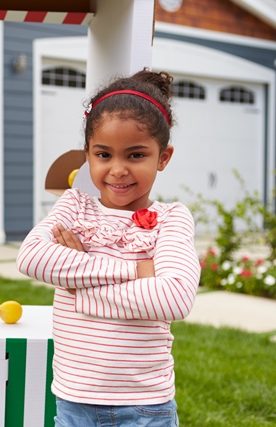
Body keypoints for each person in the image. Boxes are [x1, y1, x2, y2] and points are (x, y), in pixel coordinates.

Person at [16, 69, 200, 427]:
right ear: (87, 155)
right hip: (75, 399)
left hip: (146, 405)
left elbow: (174, 298)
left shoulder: (172, 218)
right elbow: (31, 257)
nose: (117, 170)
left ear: (163, 157)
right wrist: (136, 269)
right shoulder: (74, 206)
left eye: (135, 155)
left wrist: (76, 283)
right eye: (104, 154)